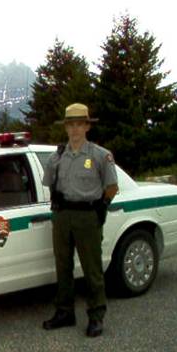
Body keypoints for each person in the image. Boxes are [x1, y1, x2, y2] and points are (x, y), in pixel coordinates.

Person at [42, 103, 119, 337]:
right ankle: (65, 312)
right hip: (63, 215)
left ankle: (96, 316)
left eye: (79, 124)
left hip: (87, 216)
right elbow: (49, 183)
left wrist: (101, 207)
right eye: (70, 124)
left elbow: (112, 187)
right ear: (66, 128)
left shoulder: (99, 155)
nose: (75, 129)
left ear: (87, 126)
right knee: (62, 266)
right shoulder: (57, 157)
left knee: (92, 268)